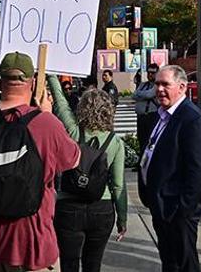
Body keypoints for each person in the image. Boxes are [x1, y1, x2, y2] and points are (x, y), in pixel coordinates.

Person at [0, 52, 81, 271]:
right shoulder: (46, 124)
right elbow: (73, 158)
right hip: (32, 244)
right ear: (32, 83)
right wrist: (48, 114)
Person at [47, 75, 128, 272]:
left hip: (69, 206)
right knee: (93, 263)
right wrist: (122, 218)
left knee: (69, 262)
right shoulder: (115, 142)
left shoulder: (73, 132)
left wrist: (51, 75)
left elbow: (60, 103)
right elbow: (118, 184)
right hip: (102, 207)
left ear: (82, 108)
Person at [138, 65, 201, 272]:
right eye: (157, 84)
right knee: (169, 261)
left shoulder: (192, 121)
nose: (159, 89)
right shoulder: (161, 114)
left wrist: (183, 210)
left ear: (181, 87)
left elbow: (199, 171)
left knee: (183, 263)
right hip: (161, 204)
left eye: (165, 84)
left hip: (177, 210)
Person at [133, 63, 160, 156]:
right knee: (141, 139)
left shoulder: (157, 85)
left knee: (150, 140)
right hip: (141, 117)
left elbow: (150, 94)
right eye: (148, 72)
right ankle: (141, 160)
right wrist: (142, 94)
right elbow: (134, 95)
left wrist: (141, 94)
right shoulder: (143, 85)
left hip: (151, 116)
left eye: (153, 73)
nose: (150, 75)